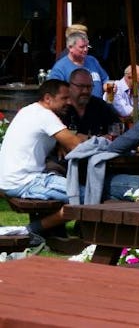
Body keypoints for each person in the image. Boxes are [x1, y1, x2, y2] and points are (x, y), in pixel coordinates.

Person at [0, 79, 85, 242]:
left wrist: (59, 143)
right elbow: (76, 146)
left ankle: (51, 232)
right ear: (48, 98)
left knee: (83, 193)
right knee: (88, 196)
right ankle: (32, 230)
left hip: (11, 179)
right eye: (64, 98)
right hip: (25, 181)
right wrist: (85, 138)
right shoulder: (45, 115)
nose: (69, 102)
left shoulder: (30, 110)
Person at [60, 68, 121, 138]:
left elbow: (117, 129)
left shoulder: (100, 106)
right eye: (81, 86)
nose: (85, 91)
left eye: (89, 87)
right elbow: (63, 138)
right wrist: (96, 139)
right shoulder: (62, 107)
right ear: (70, 86)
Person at [48, 31, 109, 99]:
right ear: (70, 48)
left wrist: (107, 86)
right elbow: (54, 92)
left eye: (87, 46)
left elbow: (105, 79)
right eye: (82, 47)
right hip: (75, 108)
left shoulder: (92, 61)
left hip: (97, 106)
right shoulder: (60, 68)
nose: (86, 49)